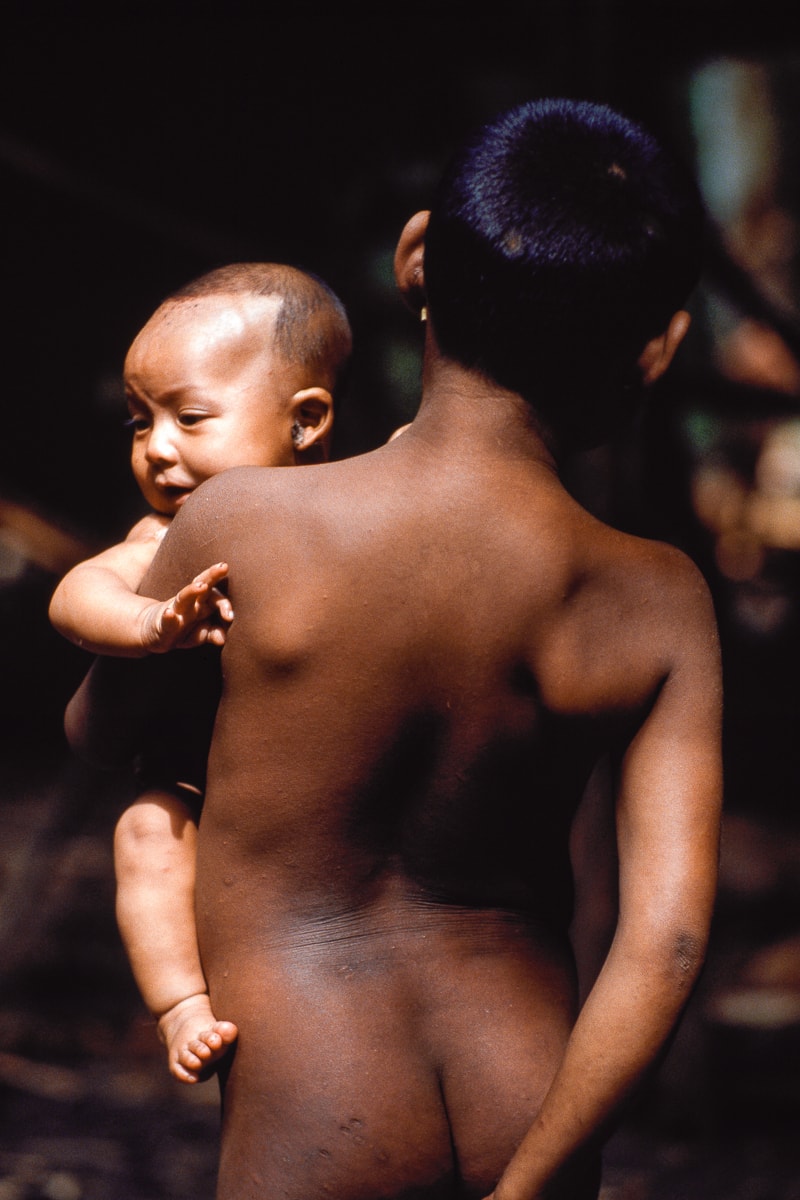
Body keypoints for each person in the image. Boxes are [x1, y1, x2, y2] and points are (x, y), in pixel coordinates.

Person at [65, 99, 722, 1200]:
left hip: (314, 1102)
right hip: (532, 1092)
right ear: (656, 347)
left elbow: (99, 734)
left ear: (415, 256)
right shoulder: (661, 601)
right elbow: (663, 946)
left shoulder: (242, 526)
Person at [50, 261, 352, 1083]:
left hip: (316, 798)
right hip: (193, 787)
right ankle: (181, 1003)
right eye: (139, 423)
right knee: (143, 832)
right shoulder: (164, 539)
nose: (158, 449)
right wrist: (150, 623)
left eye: (189, 417)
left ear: (306, 422)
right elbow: (77, 595)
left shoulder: (348, 508)